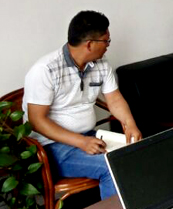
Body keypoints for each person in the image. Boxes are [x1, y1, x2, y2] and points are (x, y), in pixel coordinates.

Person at [23, 11, 142, 200]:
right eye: (106, 41)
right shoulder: (45, 70)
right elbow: (37, 121)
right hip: (52, 147)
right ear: (89, 44)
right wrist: (80, 142)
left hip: (90, 136)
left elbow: (114, 99)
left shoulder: (101, 64)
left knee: (139, 154)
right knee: (113, 167)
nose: (108, 46)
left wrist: (130, 124)